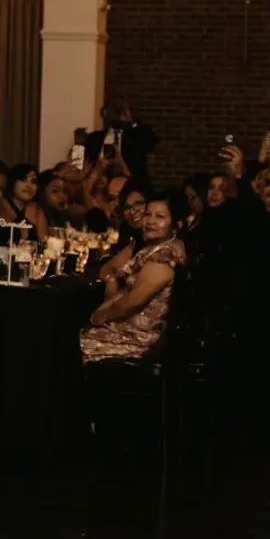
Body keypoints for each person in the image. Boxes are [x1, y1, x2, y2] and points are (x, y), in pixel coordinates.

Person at [82, 191, 188, 363]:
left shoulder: (164, 256)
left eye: (159, 216)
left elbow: (133, 302)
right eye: (148, 214)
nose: (150, 221)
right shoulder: (153, 247)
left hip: (136, 339)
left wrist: (99, 317)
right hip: (122, 329)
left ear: (176, 225)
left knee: (65, 350)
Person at [84, 101, 157, 186]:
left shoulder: (136, 137)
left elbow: (150, 143)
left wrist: (131, 122)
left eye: (119, 112)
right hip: (100, 184)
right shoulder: (95, 138)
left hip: (131, 185)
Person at [98, 180, 150, 285]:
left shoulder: (163, 246)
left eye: (139, 204)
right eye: (128, 207)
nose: (132, 211)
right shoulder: (137, 241)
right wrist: (112, 281)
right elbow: (107, 268)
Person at [0, 163, 39, 227]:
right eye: (23, 180)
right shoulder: (1, 204)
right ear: (13, 182)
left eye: (34, 182)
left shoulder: (37, 209)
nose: (29, 186)